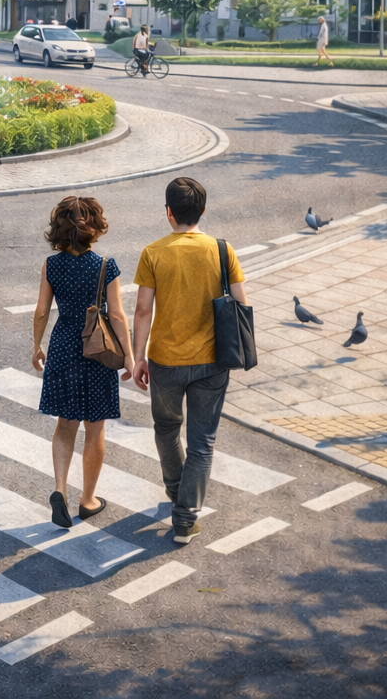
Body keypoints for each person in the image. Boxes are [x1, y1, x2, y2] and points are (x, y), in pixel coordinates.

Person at [130, 176, 247, 545]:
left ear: (169, 213)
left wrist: (137, 358)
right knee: (202, 442)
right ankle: (185, 518)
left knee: (166, 430)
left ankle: (176, 492)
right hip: (212, 362)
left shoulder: (153, 253)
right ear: (203, 210)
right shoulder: (223, 250)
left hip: (164, 362)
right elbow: (242, 304)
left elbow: (142, 310)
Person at [31, 196, 133, 529]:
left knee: (65, 424)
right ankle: (87, 500)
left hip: (63, 347)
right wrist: (130, 357)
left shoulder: (51, 265)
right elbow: (117, 315)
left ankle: (59, 489)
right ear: (95, 227)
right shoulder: (105, 266)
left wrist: (37, 346)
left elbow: (42, 311)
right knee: (95, 427)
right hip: (97, 352)